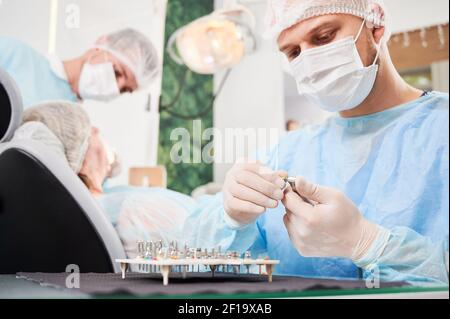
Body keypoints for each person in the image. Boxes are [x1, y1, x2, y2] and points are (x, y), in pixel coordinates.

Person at [181, 0, 449, 286]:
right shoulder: (288, 154)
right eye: (293, 52)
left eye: (323, 37)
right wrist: (230, 217)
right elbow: (192, 254)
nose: (308, 60)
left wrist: (369, 243)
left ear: (375, 25)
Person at [13, 101, 194, 258]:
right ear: (76, 156)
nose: (98, 130)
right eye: (90, 129)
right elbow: (212, 245)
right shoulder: (132, 210)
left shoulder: (108, 203)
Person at [0, 28, 159, 108]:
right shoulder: (16, 55)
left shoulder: (73, 128)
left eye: (124, 90)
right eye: (117, 73)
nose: (116, 88)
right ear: (101, 45)